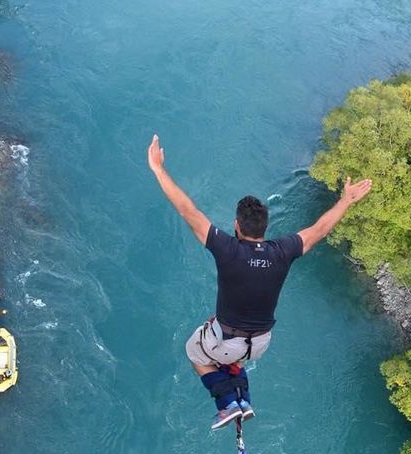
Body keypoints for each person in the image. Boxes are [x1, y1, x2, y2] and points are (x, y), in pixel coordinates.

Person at [146, 136, 372, 428]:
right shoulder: (283, 251)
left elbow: (188, 211)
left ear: (237, 226)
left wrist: (158, 169)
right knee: (226, 345)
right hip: (260, 344)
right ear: (266, 228)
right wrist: (346, 200)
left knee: (195, 353)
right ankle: (242, 397)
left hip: (229, 343)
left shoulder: (227, 249)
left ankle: (228, 403)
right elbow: (320, 229)